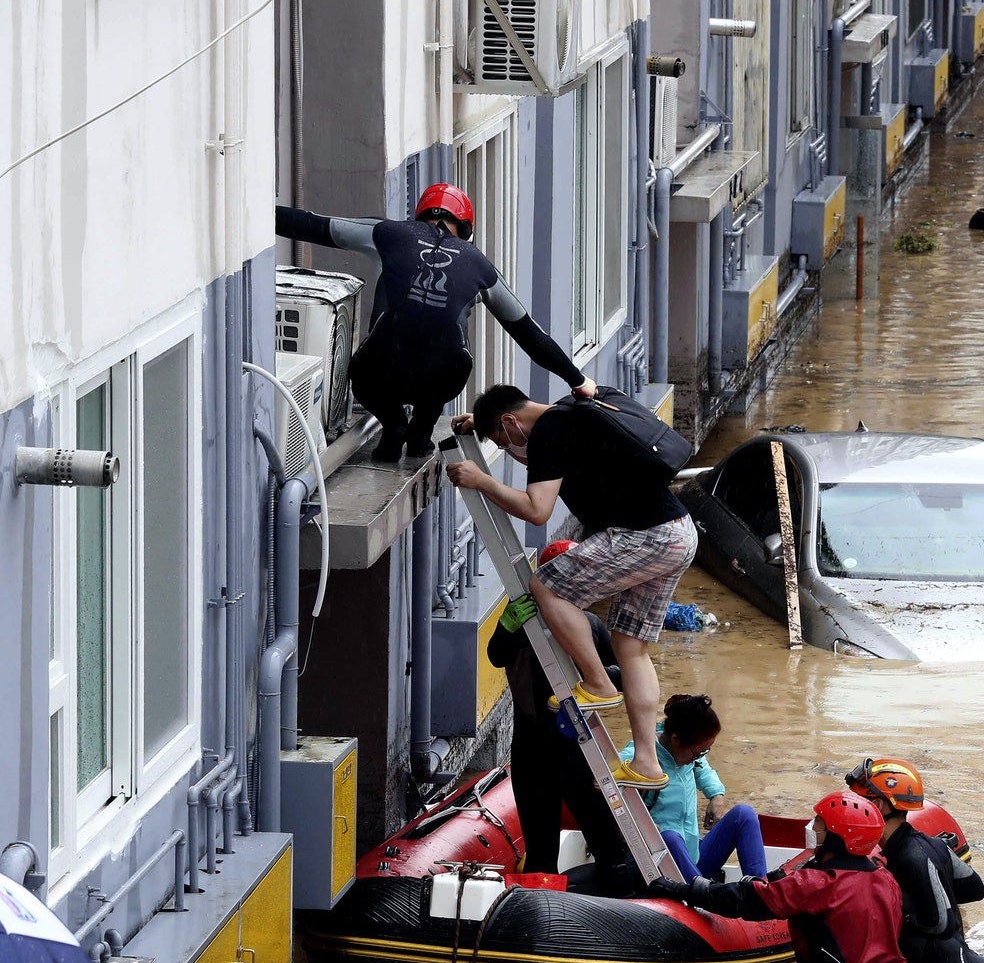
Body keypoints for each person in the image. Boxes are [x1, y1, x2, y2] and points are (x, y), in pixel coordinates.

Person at [447, 383, 699, 790]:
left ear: (511, 421)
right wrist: (484, 422)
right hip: (678, 532)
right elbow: (518, 422)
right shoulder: (573, 408)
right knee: (630, 645)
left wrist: (481, 480)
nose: (510, 450)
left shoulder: (547, 433)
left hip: (645, 536)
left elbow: (536, 509)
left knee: (545, 586)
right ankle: (647, 764)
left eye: (503, 440)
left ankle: (598, 683)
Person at [276, 185, 595, 462]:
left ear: (420, 216)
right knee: (448, 354)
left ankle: (394, 423)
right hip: (442, 376)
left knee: (366, 365)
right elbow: (529, 334)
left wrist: (261, 214)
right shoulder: (481, 266)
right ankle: (420, 434)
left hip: (382, 369)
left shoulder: (388, 233)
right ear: (466, 228)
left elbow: (314, 226)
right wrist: (577, 379)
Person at [486, 540, 641, 895]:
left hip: (579, 754)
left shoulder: (587, 625)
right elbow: (496, 655)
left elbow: (617, 676)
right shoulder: (521, 621)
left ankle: (623, 909)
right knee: (541, 852)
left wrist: (591, 675)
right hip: (533, 754)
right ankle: (547, 923)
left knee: (609, 845)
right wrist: (507, 626)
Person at [644, 793, 906, 963]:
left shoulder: (818, 884)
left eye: (819, 823)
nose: (812, 828)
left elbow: (744, 900)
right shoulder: (886, 878)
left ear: (836, 836)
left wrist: (682, 889)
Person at [845, 758, 984, 963]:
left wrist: (901, 909)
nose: (854, 809)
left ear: (877, 806)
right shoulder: (931, 845)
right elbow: (973, 888)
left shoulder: (908, 856)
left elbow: (940, 924)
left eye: (859, 802)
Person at [627, 693, 768, 884]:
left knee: (744, 814)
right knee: (669, 838)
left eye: (704, 752)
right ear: (676, 740)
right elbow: (601, 781)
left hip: (693, 859)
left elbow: (703, 769)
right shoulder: (639, 755)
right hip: (658, 867)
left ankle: (760, 891)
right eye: (698, 752)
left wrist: (716, 795)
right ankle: (702, 895)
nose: (699, 757)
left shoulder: (688, 753)